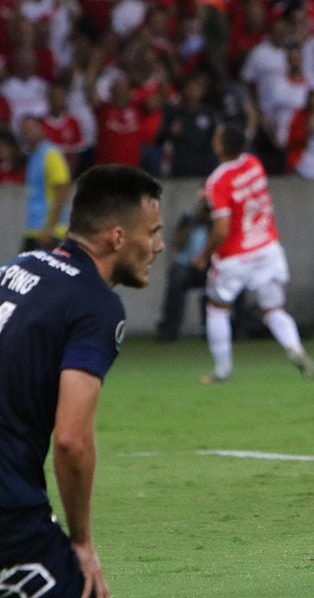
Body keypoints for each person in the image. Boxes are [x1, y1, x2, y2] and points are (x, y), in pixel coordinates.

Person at [0, 164, 164, 598]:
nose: (159, 246)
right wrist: (82, 541)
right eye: (152, 232)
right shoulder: (95, 305)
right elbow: (72, 439)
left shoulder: (17, 267)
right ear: (117, 237)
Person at [194, 124, 314, 383]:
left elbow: (222, 227)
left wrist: (203, 254)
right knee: (272, 310)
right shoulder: (253, 163)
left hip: (234, 256)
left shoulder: (218, 179)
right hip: (267, 248)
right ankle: (295, 349)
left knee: (217, 308)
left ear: (219, 145)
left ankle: (222, 371)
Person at [155, 193, 212, 342]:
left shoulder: (219, 220)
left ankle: (215, 329)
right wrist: (191, 223)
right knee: (176, 279)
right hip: (187, 266)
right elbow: (178, 245)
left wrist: (211, 222)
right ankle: (169, 330)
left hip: (211, 266)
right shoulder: (189, 217)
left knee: (225, 279)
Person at [19, 115, 72, 252]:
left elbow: (62, 190)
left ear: (42, 130)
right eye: (24, 129)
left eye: (30, 128)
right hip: (33, 227)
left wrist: (49, 228)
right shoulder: (33, 156)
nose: (27, 132)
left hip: (48, 230)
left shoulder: (51, 154)